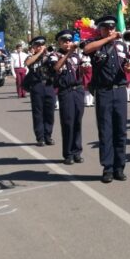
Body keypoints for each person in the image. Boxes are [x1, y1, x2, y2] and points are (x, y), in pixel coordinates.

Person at [83, 15, 130, 183]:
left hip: (119, 90)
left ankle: (120, 167)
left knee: (121, 131)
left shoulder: (122, 46)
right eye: (107, 28)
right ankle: (108, 168)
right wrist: (110, 38)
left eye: (113, 28)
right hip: (103, 92)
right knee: (106, 131)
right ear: (101, 29)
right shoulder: (96, 44)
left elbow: (128, 63)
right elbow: (86, 49)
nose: (111, 30)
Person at [51, 30, 85, 165]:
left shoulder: (77, 56)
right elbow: (56, 67)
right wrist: (69, 53)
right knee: (68, 123)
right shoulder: (55, 55)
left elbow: (81, 70)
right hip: (66, 91)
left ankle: (77, 151)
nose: (67, 43)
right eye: (64, 41)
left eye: (69, 41)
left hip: (78, 90)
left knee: (77, 122)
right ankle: (68, 153)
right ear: (59, 42)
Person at [24, 36, 56, 146]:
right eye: (38, 45)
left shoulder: (50, 56)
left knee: (49, 113)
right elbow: (28, 63)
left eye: (42, 45)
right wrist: (39, 53)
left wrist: (47, 54)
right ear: (33, 46)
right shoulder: (31, 56)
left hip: (48, 85)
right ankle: (40, 137)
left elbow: (55, 65)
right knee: (38, 113)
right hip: (37, 86)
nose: (41, 47)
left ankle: (48, 136)